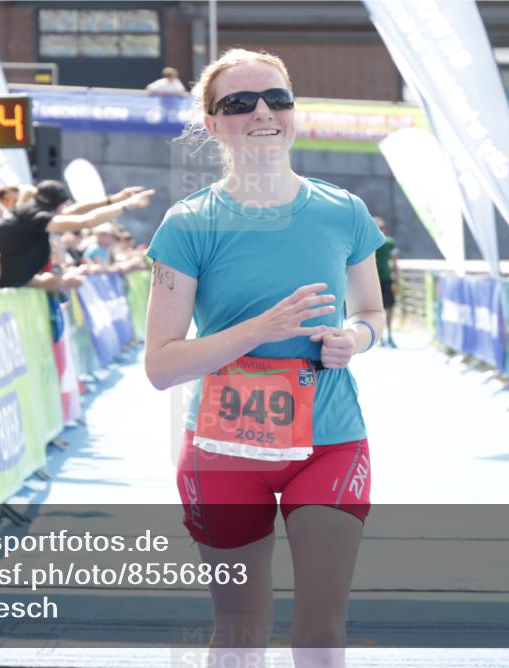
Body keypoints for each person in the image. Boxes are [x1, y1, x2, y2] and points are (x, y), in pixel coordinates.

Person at [144, 49, 386, 667]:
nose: (263, 112)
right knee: (242, 631)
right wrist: (261, 329)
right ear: (212, 123)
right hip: (224, 452)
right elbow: (162, 365)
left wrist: (354, 339)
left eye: (277, 99)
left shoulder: (344, 211)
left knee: (322, 630)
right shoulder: (187, 224)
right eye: (239, 103)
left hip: (329, 441)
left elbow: (371, 313)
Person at [0, 180, 153, 290]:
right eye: (63, 205)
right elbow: (87, 221)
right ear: (56, 206)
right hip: (0, 283)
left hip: (5, 279)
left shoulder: (28, 213)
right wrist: (126, 205)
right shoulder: (37, 218)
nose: (65, 209)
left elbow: (74, 211)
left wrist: (113, 199)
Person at [373, 216, 398, 347]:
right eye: (378, 227)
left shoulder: (389, 242)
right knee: (377, 310)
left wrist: (396, 282)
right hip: (374, 281)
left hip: (387, 279)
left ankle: (390, 335)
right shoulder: (369, 242)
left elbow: (395, 263)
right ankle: (380, 337)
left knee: (390, 308)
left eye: (382, 227)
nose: (381, 230)